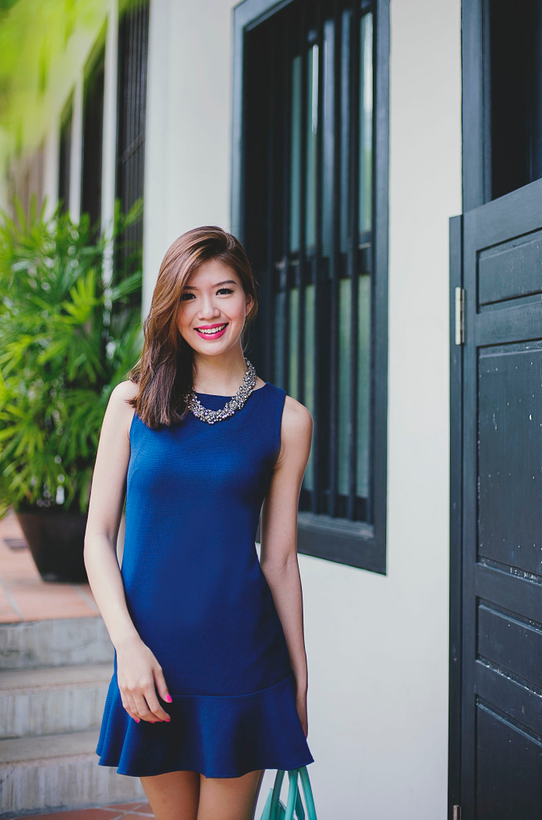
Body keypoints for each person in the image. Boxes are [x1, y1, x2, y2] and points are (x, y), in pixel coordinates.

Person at [84, 226, 314, 820]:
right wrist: (127, 647)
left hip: (242, 662)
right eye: (188, 294)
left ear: (249, 301)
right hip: (150, 664)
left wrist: (301, 680)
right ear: (170, 305)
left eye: (224, 291)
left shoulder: (286, 420)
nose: (206, 311)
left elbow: (280, 561)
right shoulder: (132, 401)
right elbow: (97, 537)